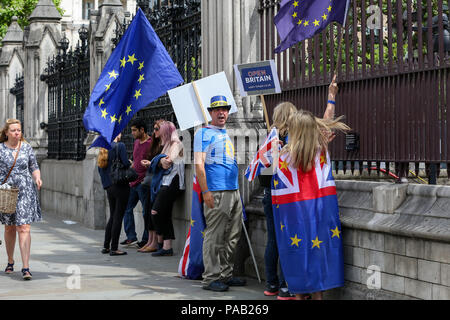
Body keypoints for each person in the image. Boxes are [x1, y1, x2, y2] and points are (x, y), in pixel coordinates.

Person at [273, 78, 349, 300]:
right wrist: (331, 95)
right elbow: (327, 119)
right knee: (318, 254)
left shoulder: (282, 154)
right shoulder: (321, 148)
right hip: (319, 214)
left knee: (298, 254)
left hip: (294, 216)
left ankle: (297, 294)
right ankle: (318, 297)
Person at [194, 95, 246, 292]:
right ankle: (210, 278)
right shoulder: (202, 133)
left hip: (233, 191)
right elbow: (199, 164)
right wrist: (205, 191)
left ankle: (226, 274)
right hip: (216, 191)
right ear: (210, 113)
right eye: (217, 109)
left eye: (224, 108)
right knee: (215, 236)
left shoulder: (224, 132)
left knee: (233, 235)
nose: (221, 112)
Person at [258, 101, 297, 300]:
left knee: (273, 240)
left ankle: (271, 283)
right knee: (285, 240)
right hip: (283, 196)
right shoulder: (284, 139)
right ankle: (284, 285)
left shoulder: (269, 137)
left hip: (268, 195)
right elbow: (266, 173)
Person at [0, 119, 42, 280]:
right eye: (14, 130)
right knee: (10, 227)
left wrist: (37, 178)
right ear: (6, 133)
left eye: (19, 130)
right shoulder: (1, 149)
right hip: (7, 191)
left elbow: (34, 166)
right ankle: (10, 261)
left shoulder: (26, 148)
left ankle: (26, 267)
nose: (17, 133)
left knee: (24, 227)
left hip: (25, 190)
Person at [148, 120, 185, 257]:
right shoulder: (167, 145)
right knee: (164, 214)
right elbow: (162, 162)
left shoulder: (176, 144)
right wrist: (157, 161)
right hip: (165, 182)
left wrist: (156, 161)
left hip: (172, 182)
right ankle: (166, 246)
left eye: (162, 133)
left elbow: (167, 163)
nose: (159, 136)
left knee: (155, 212)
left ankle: (161, 242)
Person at [120, 119, 153, 248]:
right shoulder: (136, 142)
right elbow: (136, 160)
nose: (132, 133)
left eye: (134, 130)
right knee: (126, 208)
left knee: (146, 211)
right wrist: (131, 166)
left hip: (144, 183)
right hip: (133, 182)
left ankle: (146, 239)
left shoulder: (150, 143)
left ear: (142, 130)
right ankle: (131, 236)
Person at [97, 133, 130, 256]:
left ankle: (106, 246)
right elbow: (126, 164)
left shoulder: (103, 149)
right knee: (118, 217)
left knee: (112, 216)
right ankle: (114, 248)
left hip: (109, 187)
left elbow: (100, 169)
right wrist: (129, 162)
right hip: (120, 186)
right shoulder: (119, 146)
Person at [137, 119, 165, 253]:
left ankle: (154, 242)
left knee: (152, 212)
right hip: (147, 181)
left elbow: (163, 163)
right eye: (154, 129)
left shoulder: (164, 145)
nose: (154, 132)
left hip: (156, 182)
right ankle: (150, 240)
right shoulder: (154, 144)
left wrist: (151, 163)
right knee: (147, 212)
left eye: (157, 129)